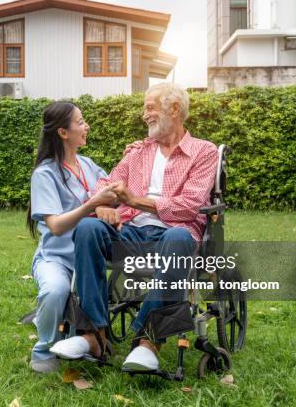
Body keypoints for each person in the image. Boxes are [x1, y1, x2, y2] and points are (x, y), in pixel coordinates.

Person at [50, 83, 218, 372]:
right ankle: (93, 336)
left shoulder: (204, 152)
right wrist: (102, 204)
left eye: (150, 107)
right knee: (88, 230)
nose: (144, 115)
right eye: (145, 108)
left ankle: (148, 341)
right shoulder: (138, 151)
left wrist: (134, 200)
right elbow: (107, 184)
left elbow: (190, 205)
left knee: (178, 237)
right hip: (131, 232)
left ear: (174, 109)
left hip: (174, 234)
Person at [27, 101, 119, 373]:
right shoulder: (45, 174)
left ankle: (91, 338)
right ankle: (43, 351)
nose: (86, 126)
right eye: (80, 122)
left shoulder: (88, 165)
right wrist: (93, 204)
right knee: (56, 290)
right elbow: (55, 226)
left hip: (89, 257)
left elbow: (112, 195)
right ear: (63, 132)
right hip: (56, 258)